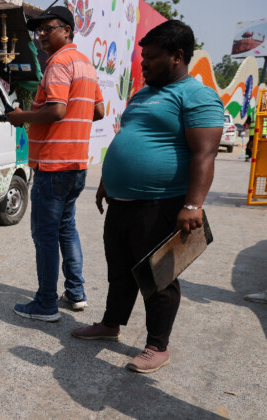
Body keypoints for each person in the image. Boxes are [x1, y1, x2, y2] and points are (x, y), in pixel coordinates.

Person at [71, 21, 223, 374]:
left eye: (152, 58)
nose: (144, 64)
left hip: (162, 204)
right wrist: (109, 180)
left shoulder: (196, 95)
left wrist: (192, 205)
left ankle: (157, 346)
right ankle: (111, 325)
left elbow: (205, 153)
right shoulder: (142, 94)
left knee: (160, 276)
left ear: (177, 57)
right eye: (144, 57)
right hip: (122, 203)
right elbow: (131, 136)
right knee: (119, 270)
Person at [6, 5, 105, 321]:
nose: (42, 35)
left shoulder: (58, 63)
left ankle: (46, 304)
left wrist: (22, 117)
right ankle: (75, 293)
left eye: (48, 28)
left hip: (53, 165)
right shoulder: (86, 65)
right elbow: (99, 111)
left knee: (46, 235)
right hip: (76, 165)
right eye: (39, 30)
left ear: (68, 31)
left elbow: (57, 110)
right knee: (66, 228)